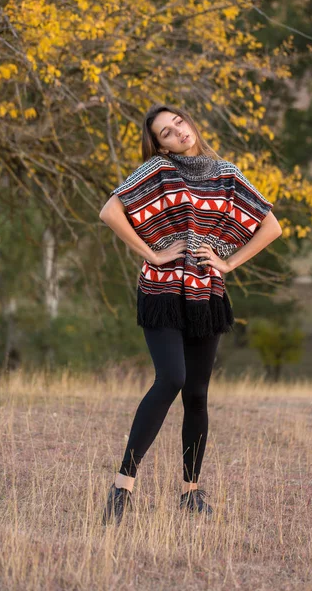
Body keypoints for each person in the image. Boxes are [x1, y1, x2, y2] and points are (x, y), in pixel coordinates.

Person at [99, 102, 282, 525]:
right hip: (162, 291)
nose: (177, 132)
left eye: (178, 122)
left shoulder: (227, 174)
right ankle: (122, 486)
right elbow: (111, 211)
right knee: (172, 378)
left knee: (197, 394)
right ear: (158, 143)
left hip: (207, 294)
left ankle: (190, 493)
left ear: (190, 122)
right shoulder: (157, 171)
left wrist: (229, 263)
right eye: (165, 131)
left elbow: (271, 226)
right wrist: (153, 253)